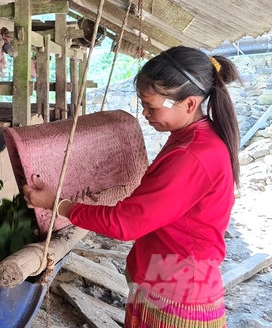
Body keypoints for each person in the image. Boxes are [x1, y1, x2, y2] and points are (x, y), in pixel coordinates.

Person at [23, 46, 241, 328]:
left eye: (152, 106)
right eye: (143, 103)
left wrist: (57, 204)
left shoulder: (193, 154)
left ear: (189, 104)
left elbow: (125, 224)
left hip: (177, 296)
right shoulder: (191, 137)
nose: (145, 113)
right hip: (166, 281)